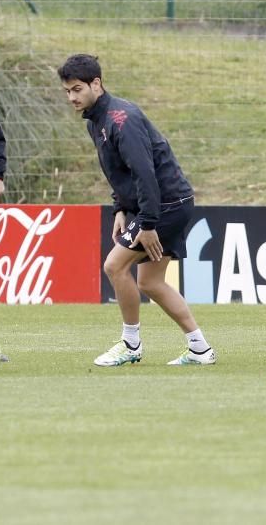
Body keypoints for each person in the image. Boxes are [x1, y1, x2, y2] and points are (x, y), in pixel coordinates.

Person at [58, 54, 215, 367]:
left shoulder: (121, 119)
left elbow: (145, 174)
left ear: (96, 84)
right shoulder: (96, 119)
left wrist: (147, 222)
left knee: (114, 266)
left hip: (166, 205)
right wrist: (120, 209)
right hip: (167, 204)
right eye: (67, 91)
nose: (72, 97)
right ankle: (200, 348)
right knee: (149, 282)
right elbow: (120, 172)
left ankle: (131, 344)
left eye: (77, 89)